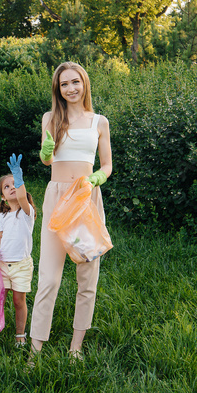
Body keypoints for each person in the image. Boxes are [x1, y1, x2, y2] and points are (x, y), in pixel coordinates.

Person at [29, 61, 113, 359]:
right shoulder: (50, 118)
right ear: (58, 89)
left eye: (75, 82)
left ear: (84, 83)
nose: (71, 88)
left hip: (87, 198)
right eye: (65, 84)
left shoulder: (99, 121)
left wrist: (96, 179)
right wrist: (46, 151)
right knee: (48, 278)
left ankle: (75, 348)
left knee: (87, 276)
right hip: (57, 198)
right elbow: (46, 161)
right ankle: (35, 350)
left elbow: (107, 165)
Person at [0, 153, 36, 349]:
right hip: (2, 265)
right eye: (7, 186)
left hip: (21, 266)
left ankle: (20, 335)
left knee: (19, 301)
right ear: (2, 196)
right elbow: (0, 237)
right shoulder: (4, 216)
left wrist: (19, 177)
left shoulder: (26, 213)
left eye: (14, 184)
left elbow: (22, 196)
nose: (12, 187)